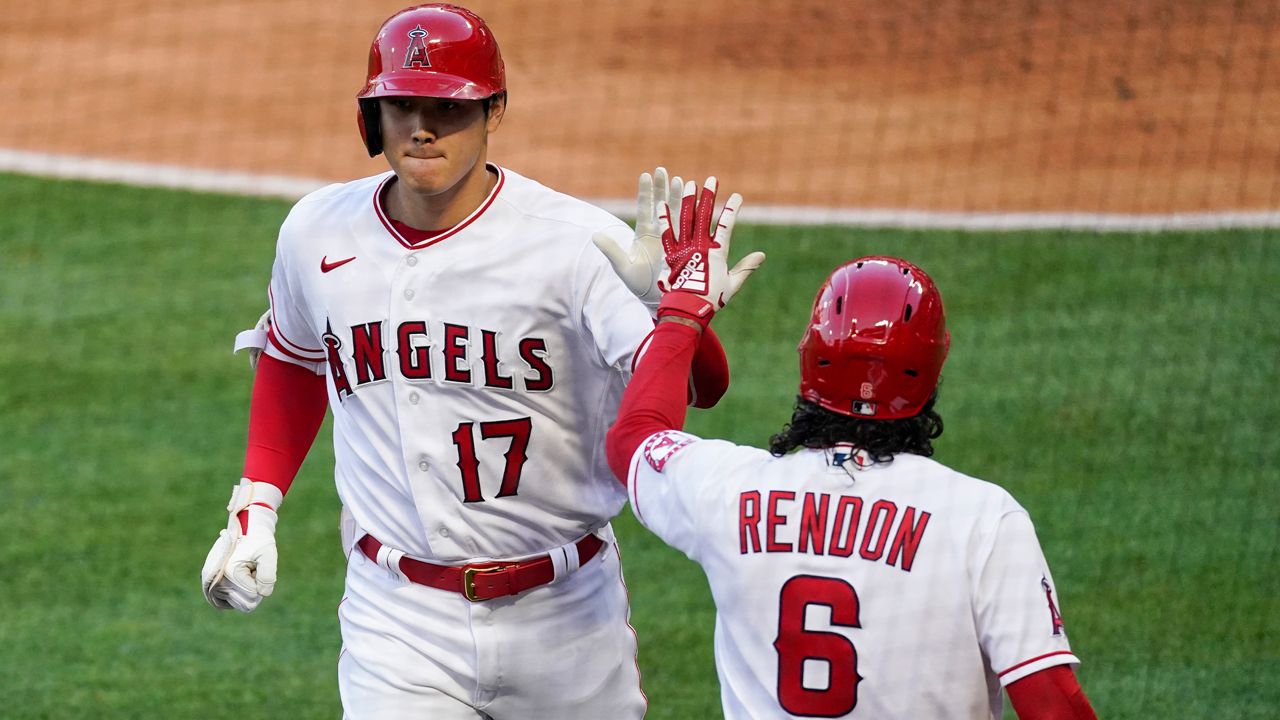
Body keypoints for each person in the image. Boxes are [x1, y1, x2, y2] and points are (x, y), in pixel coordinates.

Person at [198, 4, 733, 718]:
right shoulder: (316, 232)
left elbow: (703, 391)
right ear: (372, 116)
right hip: (399, 620)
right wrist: (254, 507)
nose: (422, 127)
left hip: (566, 617)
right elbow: (296, 359)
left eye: (448, 109)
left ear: (494, 112)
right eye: (402, 105)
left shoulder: (578, 245)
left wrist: (680, 312)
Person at [604, 178, 1098, 718]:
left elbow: (635, 438)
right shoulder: (982, 520)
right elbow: (1054, 706)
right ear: (932, 373)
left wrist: (678, 312)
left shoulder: (730, 490)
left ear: (809, 357)